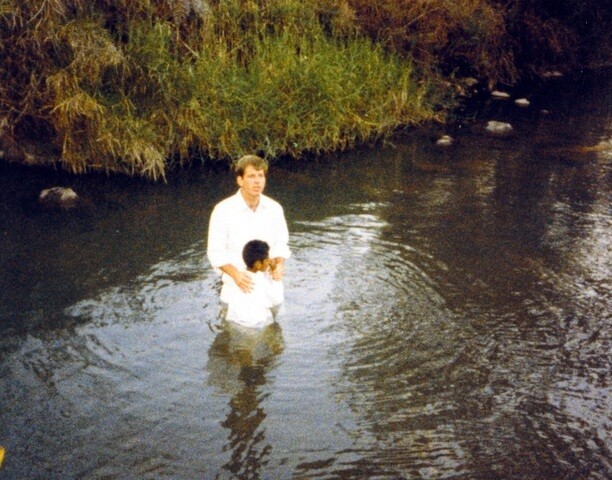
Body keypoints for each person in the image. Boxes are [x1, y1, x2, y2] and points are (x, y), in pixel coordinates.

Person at [207, 154, 290, 308]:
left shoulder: (275, 208)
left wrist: (279, 265)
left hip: (271, 286)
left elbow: (281, 244)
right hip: (238, 286)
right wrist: (236, 275)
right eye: (251, 176)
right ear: (240, 180)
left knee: (275, 330)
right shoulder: (222, 210)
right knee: (236, 330)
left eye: (261, 176)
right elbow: (215, 253)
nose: (257, 181)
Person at [224, 240, 284, 329]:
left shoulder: (236, 278)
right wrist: (276, 279)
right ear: (258, 264)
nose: (269, 262)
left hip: (234, 321)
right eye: (267, 260)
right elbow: (277, 300)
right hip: (256, 325)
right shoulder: (262, 282)